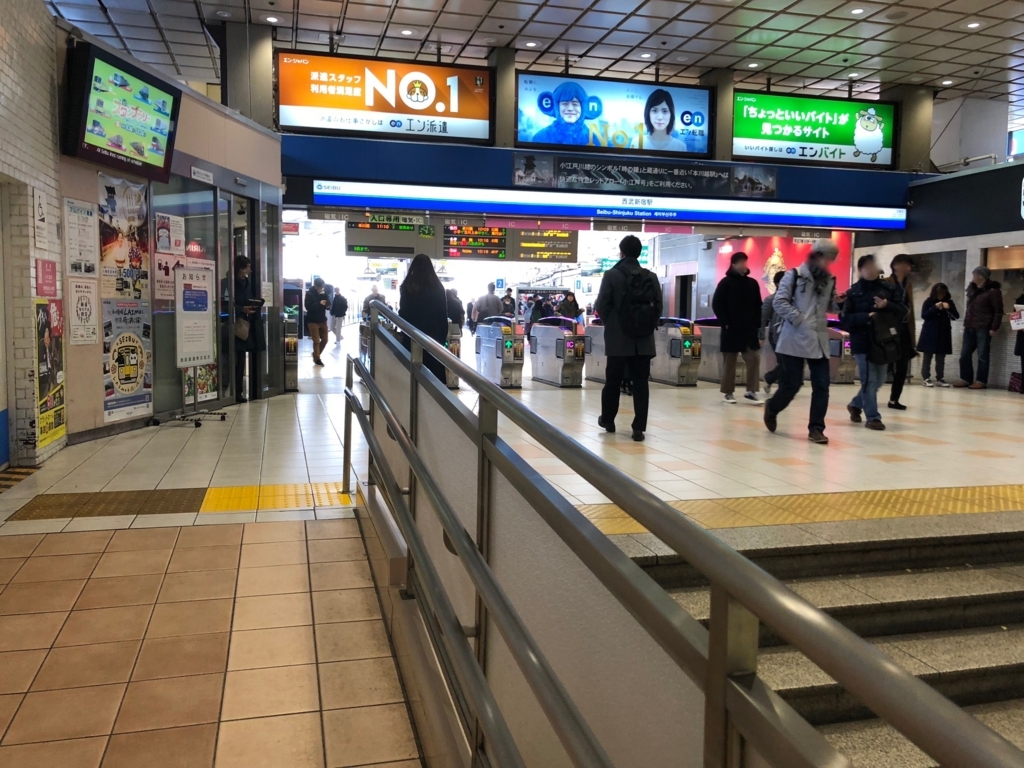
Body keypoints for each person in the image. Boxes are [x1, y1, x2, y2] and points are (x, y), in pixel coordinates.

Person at [763, 239, 843, 445]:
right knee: (792, 385)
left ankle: (816, 428)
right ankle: (772, 407)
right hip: (794, 338)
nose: (828, 264)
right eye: (827, 259)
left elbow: (830, 306)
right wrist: (798, 318)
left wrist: (839, 303)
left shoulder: (829, 279)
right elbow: (779, 302)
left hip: (819, 339)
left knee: (822, 386)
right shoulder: (794, 275)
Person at [595, 235, 662, 442]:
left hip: (618, 340)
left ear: (621, 252)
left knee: (613, 381)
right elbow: (658, 307)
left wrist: (613, 324)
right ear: (639, 253)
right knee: (641, 383)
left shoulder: (612, 275)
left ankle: (608, 420)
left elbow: (601, 305)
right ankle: (638, 428)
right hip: (643, 341)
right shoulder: (651, 277)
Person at [841, 255, 907, 431]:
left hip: (884, 340)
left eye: (873, 265)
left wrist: (887, 306)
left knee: (879, 380)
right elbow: (845, 319)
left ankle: (855, 404)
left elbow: (902, 311)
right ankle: (873, 417)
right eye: (867, 266)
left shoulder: (889, 289)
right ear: (860, 270)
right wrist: (866, 317)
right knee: (869, 380)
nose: (871, 269)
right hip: (862, 341)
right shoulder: (853, 292)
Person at [712, 252, 763, 404]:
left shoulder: (752, 283)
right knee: (730, 362)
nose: (744, 265)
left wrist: (758, 326)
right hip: (731, 329)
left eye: (745, 262)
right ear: (734, 264)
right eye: (741, 262)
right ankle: (728, 392)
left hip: (749, 329)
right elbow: (717, 304)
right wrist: (725, 322)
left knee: (753, 358)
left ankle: (751, 390)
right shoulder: (725, 283)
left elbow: (758, 306)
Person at [399, 254, 449, 383]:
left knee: (412, 375)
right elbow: (443, 316)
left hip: (412, 336)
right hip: (433, 338)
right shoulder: (438, 288)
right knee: (434, 377)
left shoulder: (407, 288)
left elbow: (403, 314)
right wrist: (441, 341)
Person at [955, 265, 1003, 389]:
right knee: (964, 354)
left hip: (984, 326)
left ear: (981, 276)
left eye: (974, 275)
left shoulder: (993, 291)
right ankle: (966, 378)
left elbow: (998, 310)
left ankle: (981, 381)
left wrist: (994, 327)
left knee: (982, 355)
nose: (973, 277)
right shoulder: (972, 289)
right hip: (970, 325)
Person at [883, 254, 916, 410]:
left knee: (902, 366)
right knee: (883, 367)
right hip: (889, 329)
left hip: (903, 329)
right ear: (895, 265)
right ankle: (862, 400)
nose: (908, 268)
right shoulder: (886, 283)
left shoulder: (908, 285)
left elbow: (911, 310)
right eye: (905, 264)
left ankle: (894, 399)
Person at [917, 283, 959, 387]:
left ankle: (940, 378)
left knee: (941, 358)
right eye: (939, 293)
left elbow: (956, 316)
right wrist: (934, 308)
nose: (941, 295)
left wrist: (948, 308)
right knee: (927, 357)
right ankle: (926, 378)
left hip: (943, 332)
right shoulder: (928, 302)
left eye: (943, 293)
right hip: (929, 332)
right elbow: (924, 315)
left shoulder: (949, 302)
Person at [233, 256, 261, 400]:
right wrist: (241, 309)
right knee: (232, 359)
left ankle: (238, 392)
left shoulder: (247, 282)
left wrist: (251, 306)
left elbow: (247, 298)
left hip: (244, 324)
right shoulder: (229, 283)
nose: (250, 270)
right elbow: (224, 303)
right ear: (242, 268)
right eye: (249, 267)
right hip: (231, 323)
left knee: (241, 358)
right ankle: (231, 391)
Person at [531, 81, 589, 146]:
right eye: (565, 103)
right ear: (557, 107)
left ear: (583, 107)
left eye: (575, 104)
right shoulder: (540, 137)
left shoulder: (592, 138)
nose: (570, 108)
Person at [760, 271, 785, 393]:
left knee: (786, 362)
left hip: (791, 336)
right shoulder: (770, 300)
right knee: (784, 361)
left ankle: (770, 378)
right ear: (776, 283)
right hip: (776, 336)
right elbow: (763, 318)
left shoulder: (794, 300)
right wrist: (761, 336)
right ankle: (782, 386)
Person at [304, 277, 330, 366]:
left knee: (325, 340)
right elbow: (308, 307)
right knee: (316, 340)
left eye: (322, 287)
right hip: (312, 320)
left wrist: (327, 304)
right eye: (320, 287)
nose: (321, 289)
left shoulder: (324, 293)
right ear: (315, 286)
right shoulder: (309, 294)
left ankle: (315, 354)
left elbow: (329, 304)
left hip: (323, 319)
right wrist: (319, 303)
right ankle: (317, 359)